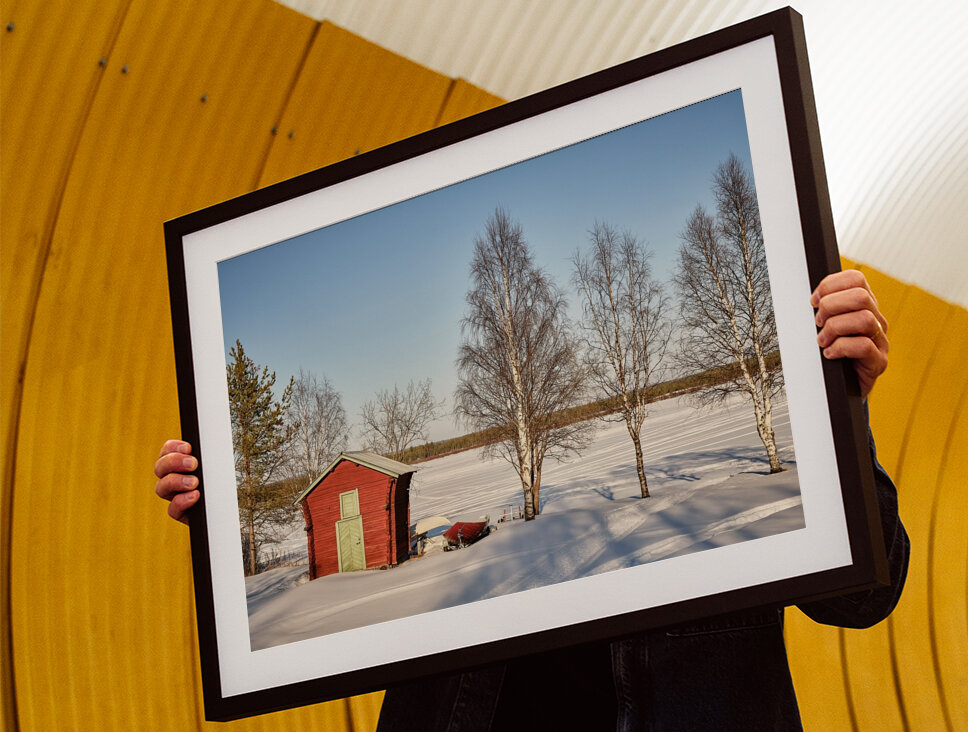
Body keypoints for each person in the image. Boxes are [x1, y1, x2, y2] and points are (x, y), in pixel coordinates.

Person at [154, 270, 909, 731]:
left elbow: (866, 596)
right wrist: (228, 516)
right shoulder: (467, 552)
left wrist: (841, 407)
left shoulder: (789, 401)